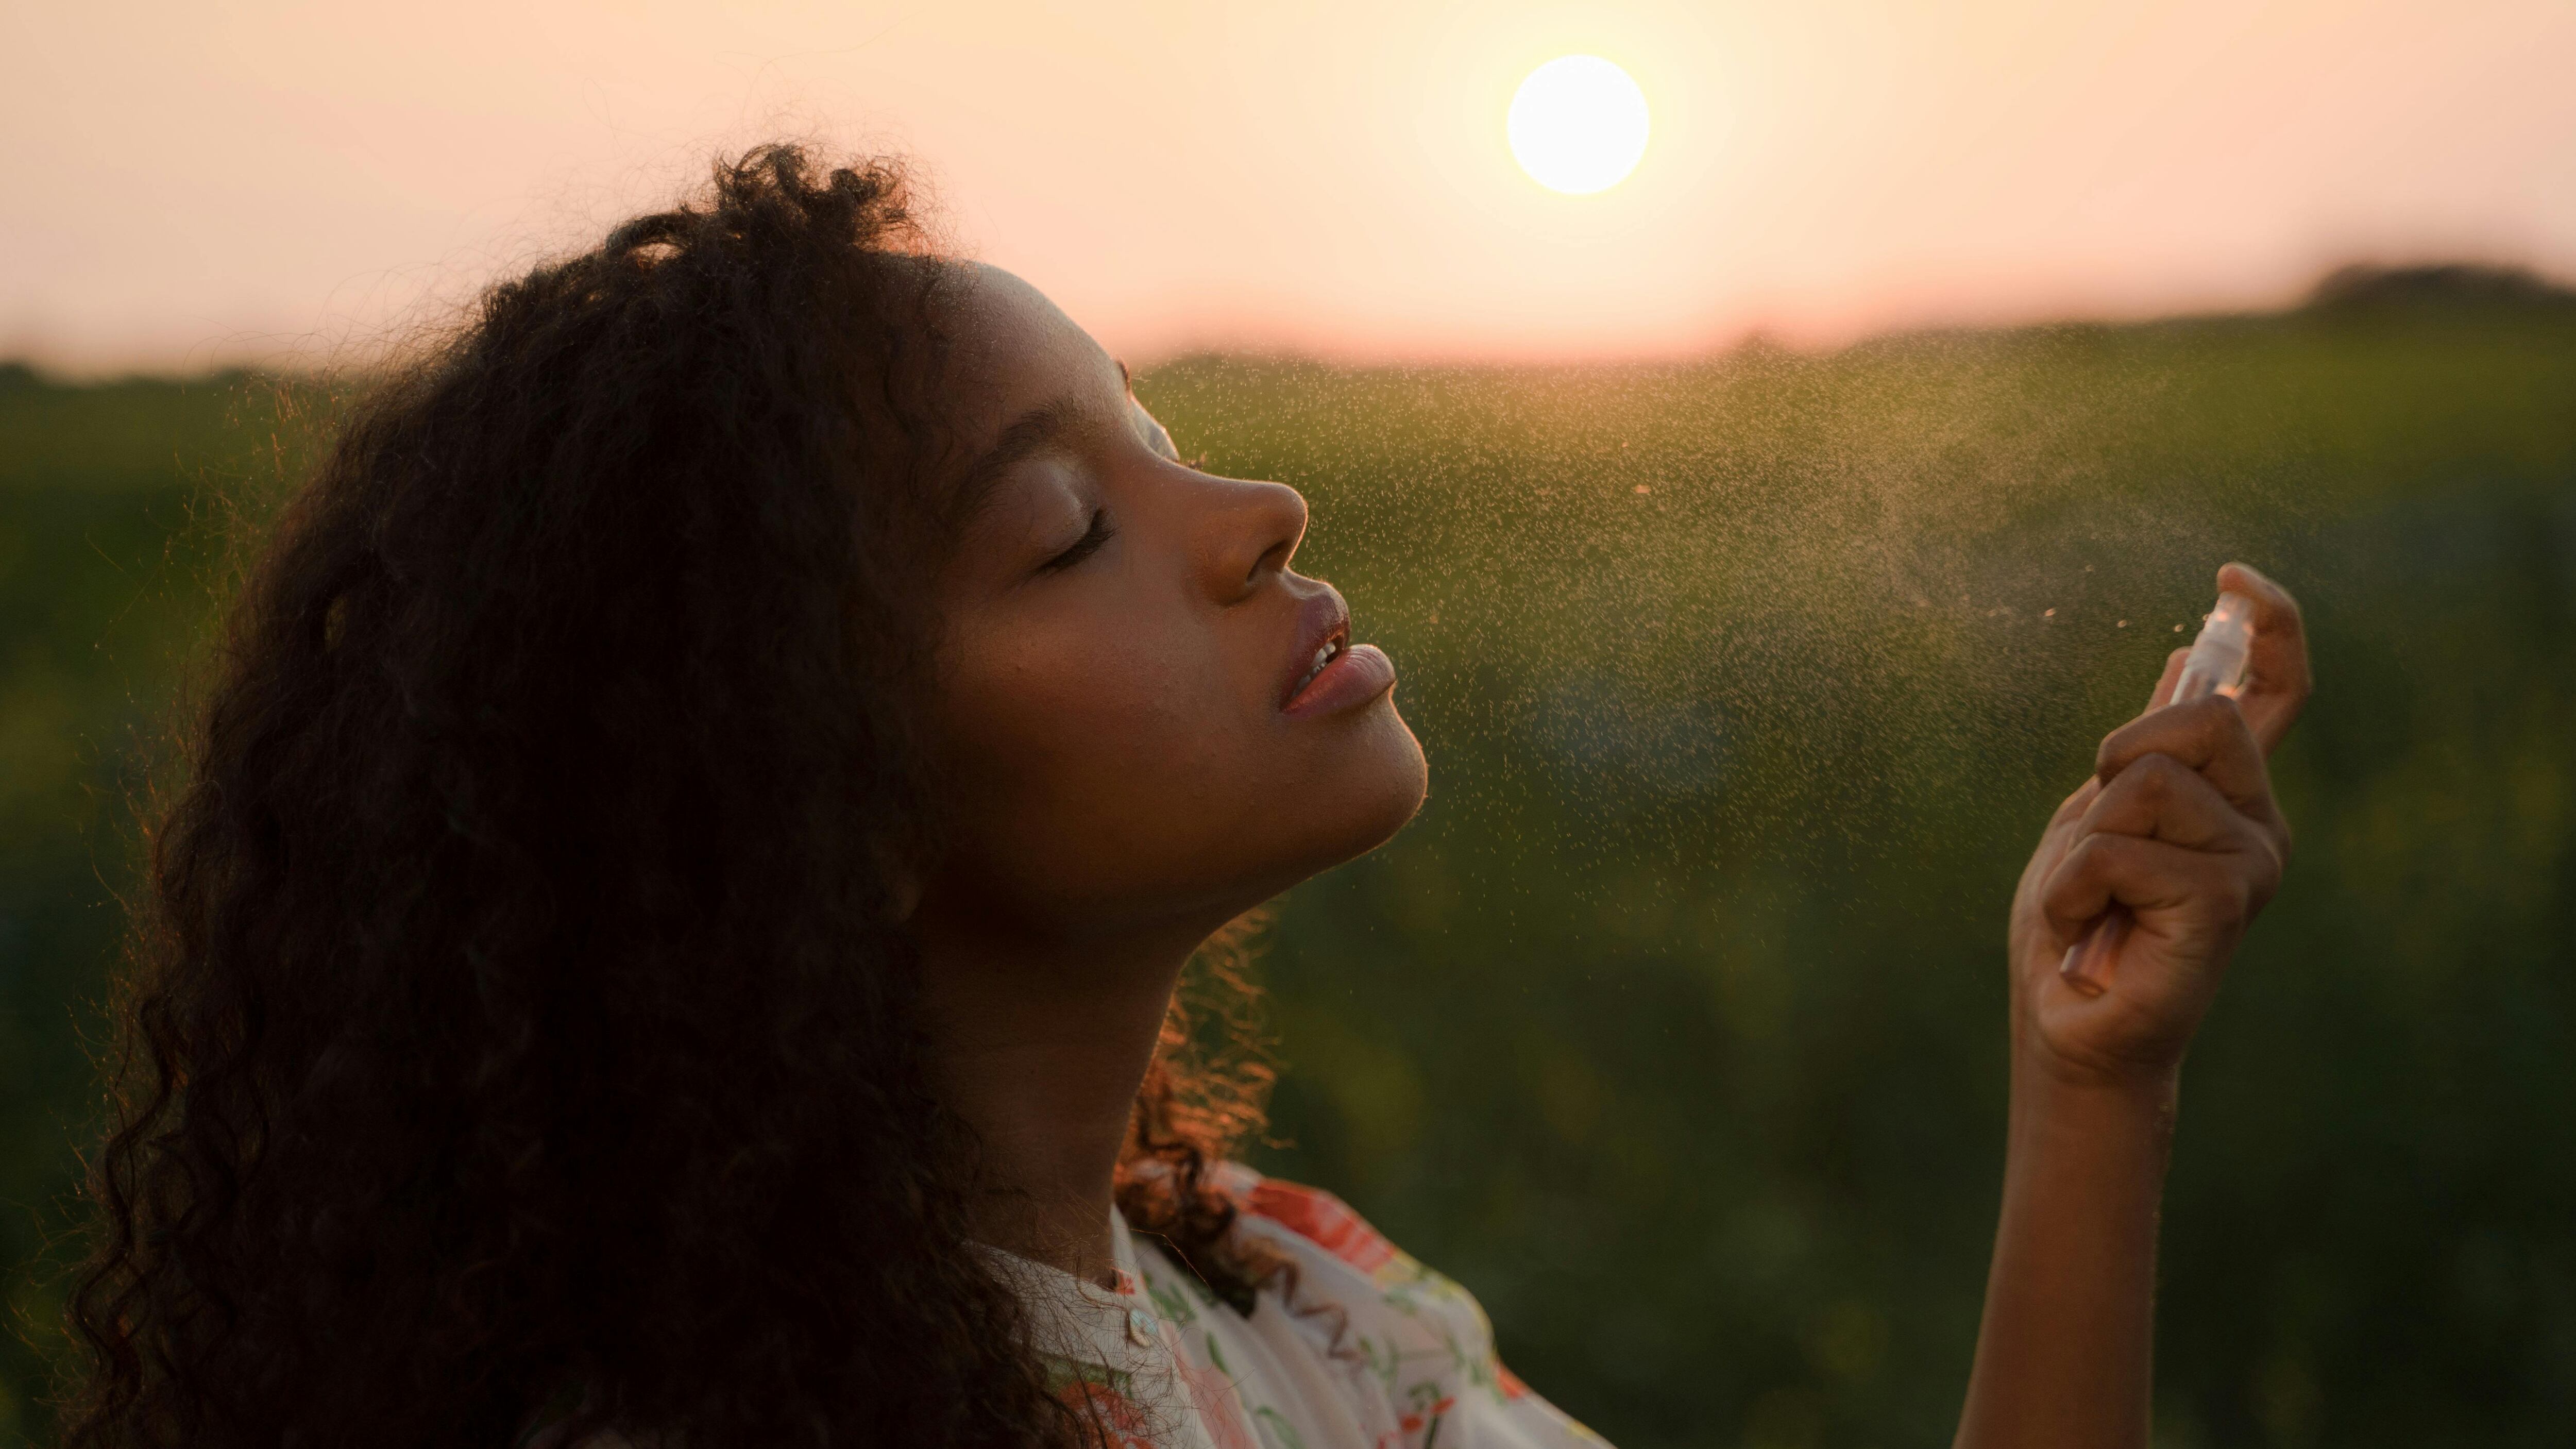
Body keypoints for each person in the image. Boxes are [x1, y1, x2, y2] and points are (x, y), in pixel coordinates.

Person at [61, 146, 2308, 1449]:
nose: (1251, 508)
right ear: (797, 805)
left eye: (1158, 430)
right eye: (1062, 526)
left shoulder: (1306, 1318)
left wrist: (2081, 1083)